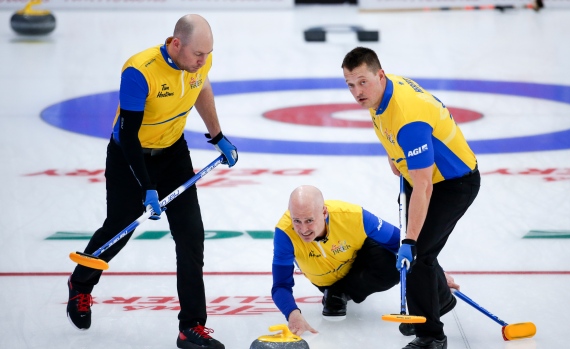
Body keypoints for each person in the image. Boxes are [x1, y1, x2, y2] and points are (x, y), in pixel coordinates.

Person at [66, 14, 237, 349]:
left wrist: (217, 136)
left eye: (207, 54)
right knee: (119, 228)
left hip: (173, 152)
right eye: (197, 55)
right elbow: (128, 136)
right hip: (131, 157)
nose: (203, 61)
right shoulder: (139, 72)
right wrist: (146, 186)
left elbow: (200, 85)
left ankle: (191, 327)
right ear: (176, 44)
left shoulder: (199, 60)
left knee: (191, 238)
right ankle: (81, 283)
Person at [342, 47, 480, 349]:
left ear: (380, 75)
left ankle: (431, 336)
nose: (357, 92)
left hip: (452, 183)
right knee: (421, 249)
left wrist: (410, 242)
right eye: (350, 84)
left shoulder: (408, 119)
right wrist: (395, 155)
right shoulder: (380, 93)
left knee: (417, 253)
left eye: (362, 82)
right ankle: (438, 300)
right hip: (419, 175)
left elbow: (425, 185)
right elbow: (384, 124)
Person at [270, 185, 459, 337]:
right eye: (297, 221)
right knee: (331, 284)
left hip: (362, 258)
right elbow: (280, 285)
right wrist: (293, 314)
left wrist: (435, 273)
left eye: (309, 220)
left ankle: (342, 292)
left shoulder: (352, 216)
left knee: (393, 265)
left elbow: (403, 243)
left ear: (324, 212)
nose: (303, 229)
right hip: (326, 280)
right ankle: (335, 292)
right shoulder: (285, 233)